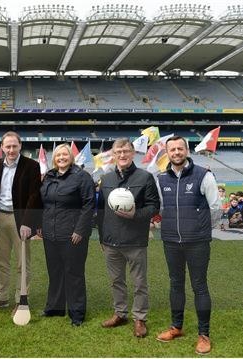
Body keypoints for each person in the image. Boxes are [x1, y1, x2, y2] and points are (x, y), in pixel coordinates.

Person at [155, 136, 221, 355]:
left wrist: (200, 230)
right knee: (175, 284)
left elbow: (216, 208)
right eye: (172, 149)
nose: (176, 152)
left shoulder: (204, 175)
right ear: (167, 153)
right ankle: (176, 327)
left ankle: (203, 334)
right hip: (171, 241)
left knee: (199, 286)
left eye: (180, 148)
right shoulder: (161, 178)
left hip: (197, 242)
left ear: (187, 150)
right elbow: (160, 209)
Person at [97, 138, 160, 338]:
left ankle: (139, 318)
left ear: (133, 153)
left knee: (139, 282)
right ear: (113, 155)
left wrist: (135, 214)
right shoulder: (106, 179)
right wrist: (101, 237)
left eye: (126, 151)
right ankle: (120, 313)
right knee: (116, 281)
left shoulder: (145, 177)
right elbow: (100, 212)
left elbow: (154, 207)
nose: (122, 155)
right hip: (110, 240)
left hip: (135, 240)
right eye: (118, 151)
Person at [0, 131, 42, 312]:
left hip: (20, 219)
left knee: (22, 262)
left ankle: (21, 299)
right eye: (7, 146)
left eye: (14, 146)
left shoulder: (32, 165)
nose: (10, 150)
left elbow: (34, 195)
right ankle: (2, 297)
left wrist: (27, 222)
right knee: (1, 261)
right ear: (2, 147)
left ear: (20, 146)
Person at [39, 143, 94, 327]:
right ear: (54, 159)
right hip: (50, 234)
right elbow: (43, 203)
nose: (61, 157)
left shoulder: (82, 177)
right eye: (58, 155)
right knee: (54, 272)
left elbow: (88, 206)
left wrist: (80, 230)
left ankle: (76, 313)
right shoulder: (49, 176)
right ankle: (55, 307)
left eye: (65, 154)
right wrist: (40, 225)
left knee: (74, 274)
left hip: (72, 235)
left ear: (71, 157)